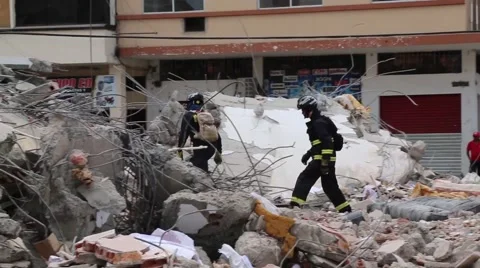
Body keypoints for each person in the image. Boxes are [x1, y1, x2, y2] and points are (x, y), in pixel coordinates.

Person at [290, 95, 352, 213]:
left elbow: (327, 142)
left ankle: (295, 207)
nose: (303, 113)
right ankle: (345, 210)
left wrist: (324, 162)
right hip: (327, 158)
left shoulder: (318, 123)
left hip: (321, 159)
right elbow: (318, 144)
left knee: (304, 179)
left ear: (310, 109)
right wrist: (308, 154)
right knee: (330, 186)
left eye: (304, 110)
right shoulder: (321, 121)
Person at [177, 93, 222, 172]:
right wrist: (219, 152)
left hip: (200, 149)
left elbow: (183, 135)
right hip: (211, 148)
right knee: (203, 170)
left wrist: (179, 151)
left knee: (191, 170)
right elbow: (216, 134)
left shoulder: (188, 116)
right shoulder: (206, 115)